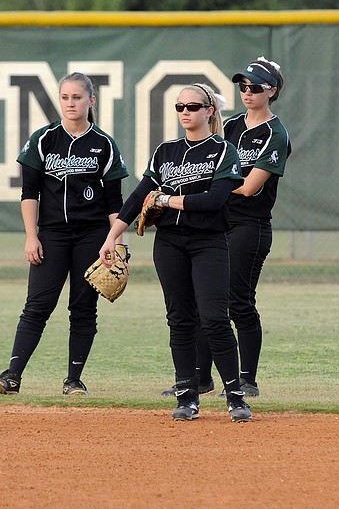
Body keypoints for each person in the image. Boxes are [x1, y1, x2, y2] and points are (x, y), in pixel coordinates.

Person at [99, 83, 252, 422]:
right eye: (180, 107)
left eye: (193, 107)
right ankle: (187, 395)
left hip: (208, 242)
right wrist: (112, 237)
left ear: (209, 111)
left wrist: (166, 200)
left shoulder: (223, 151)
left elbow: (214, 201)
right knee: (179, 318)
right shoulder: (165, 152)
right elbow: (140, 195)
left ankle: (235, 395)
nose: (185, 112)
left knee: (213, 318)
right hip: (169, 243)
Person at [0, 72, 128, 396]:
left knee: (83, 308)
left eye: (77, 97)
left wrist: (118, 244)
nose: (70, 103)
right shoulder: (43, 139)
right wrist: (30, 236)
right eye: (65, 97)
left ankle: (73, 379)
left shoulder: (103, 144)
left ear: (91, 101)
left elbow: (114, 201)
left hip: (92, 235)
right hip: (50, 235)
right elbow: (29, 192)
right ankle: (13, 376)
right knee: (37, 305)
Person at [161, 57, 291, 398]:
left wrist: (206, 189)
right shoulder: (231, 126)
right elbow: (207, 158)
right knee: (208, 302)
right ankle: (200, 378)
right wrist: (206, 189)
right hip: (218, 222)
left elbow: (249, 187)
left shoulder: (275, 134)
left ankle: (247, 379)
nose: (247, 92)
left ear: (272, 91)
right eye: (243, 86)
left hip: (250, 223)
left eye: (256, 87)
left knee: (238, 301)